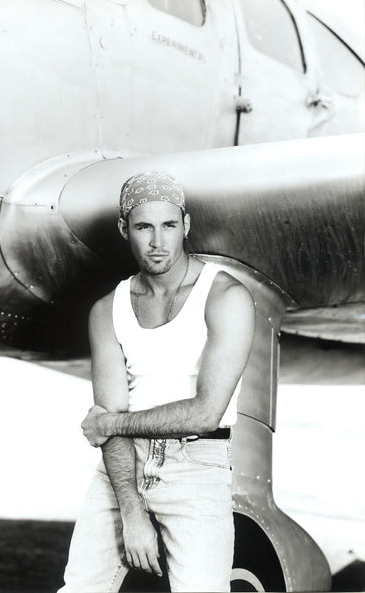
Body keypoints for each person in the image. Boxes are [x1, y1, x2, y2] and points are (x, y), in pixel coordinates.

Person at [59, 172, 255, 592]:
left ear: (185, 225)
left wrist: (112, 424)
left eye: (168, 225)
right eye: (144, 226)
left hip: (198, 465)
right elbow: (109, 414)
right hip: (121, 465)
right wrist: (131, 512)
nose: (157, 241)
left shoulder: (226, 298)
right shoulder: (107, 310)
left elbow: (205, 413)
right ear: (124, 230)